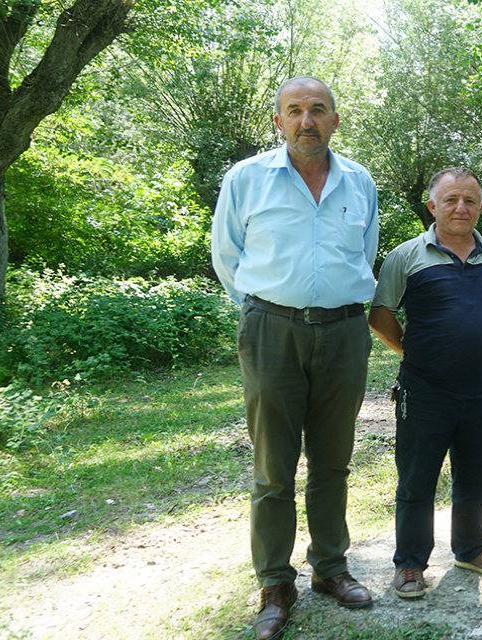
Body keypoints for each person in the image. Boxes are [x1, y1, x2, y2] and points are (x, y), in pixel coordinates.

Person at [212, 76, 379, 640]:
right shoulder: (247, 178)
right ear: (278, 120)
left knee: (333, 460)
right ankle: (275, 584)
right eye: (295, 111)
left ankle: (330, 568)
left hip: (344, 332)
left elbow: (365, 252)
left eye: (318, 109)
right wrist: (267, 310)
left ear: (336, 118)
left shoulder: (359, 181)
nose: (306, 120)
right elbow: (227, 255)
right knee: (273, 469)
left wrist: (330, 301)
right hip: (271, 332)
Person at [369, 167, 482, 599]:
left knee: (475, 474)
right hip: (424, 392)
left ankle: (471, 548)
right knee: (417, 479)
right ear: (432, 206)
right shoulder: (406, 256)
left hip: (481, 390)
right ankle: (411, 564)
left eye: (470, 200)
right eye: (451, 200)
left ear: (480, 206)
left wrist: (474, 342)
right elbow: (380, 317)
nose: (461, 207)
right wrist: (419, 354)